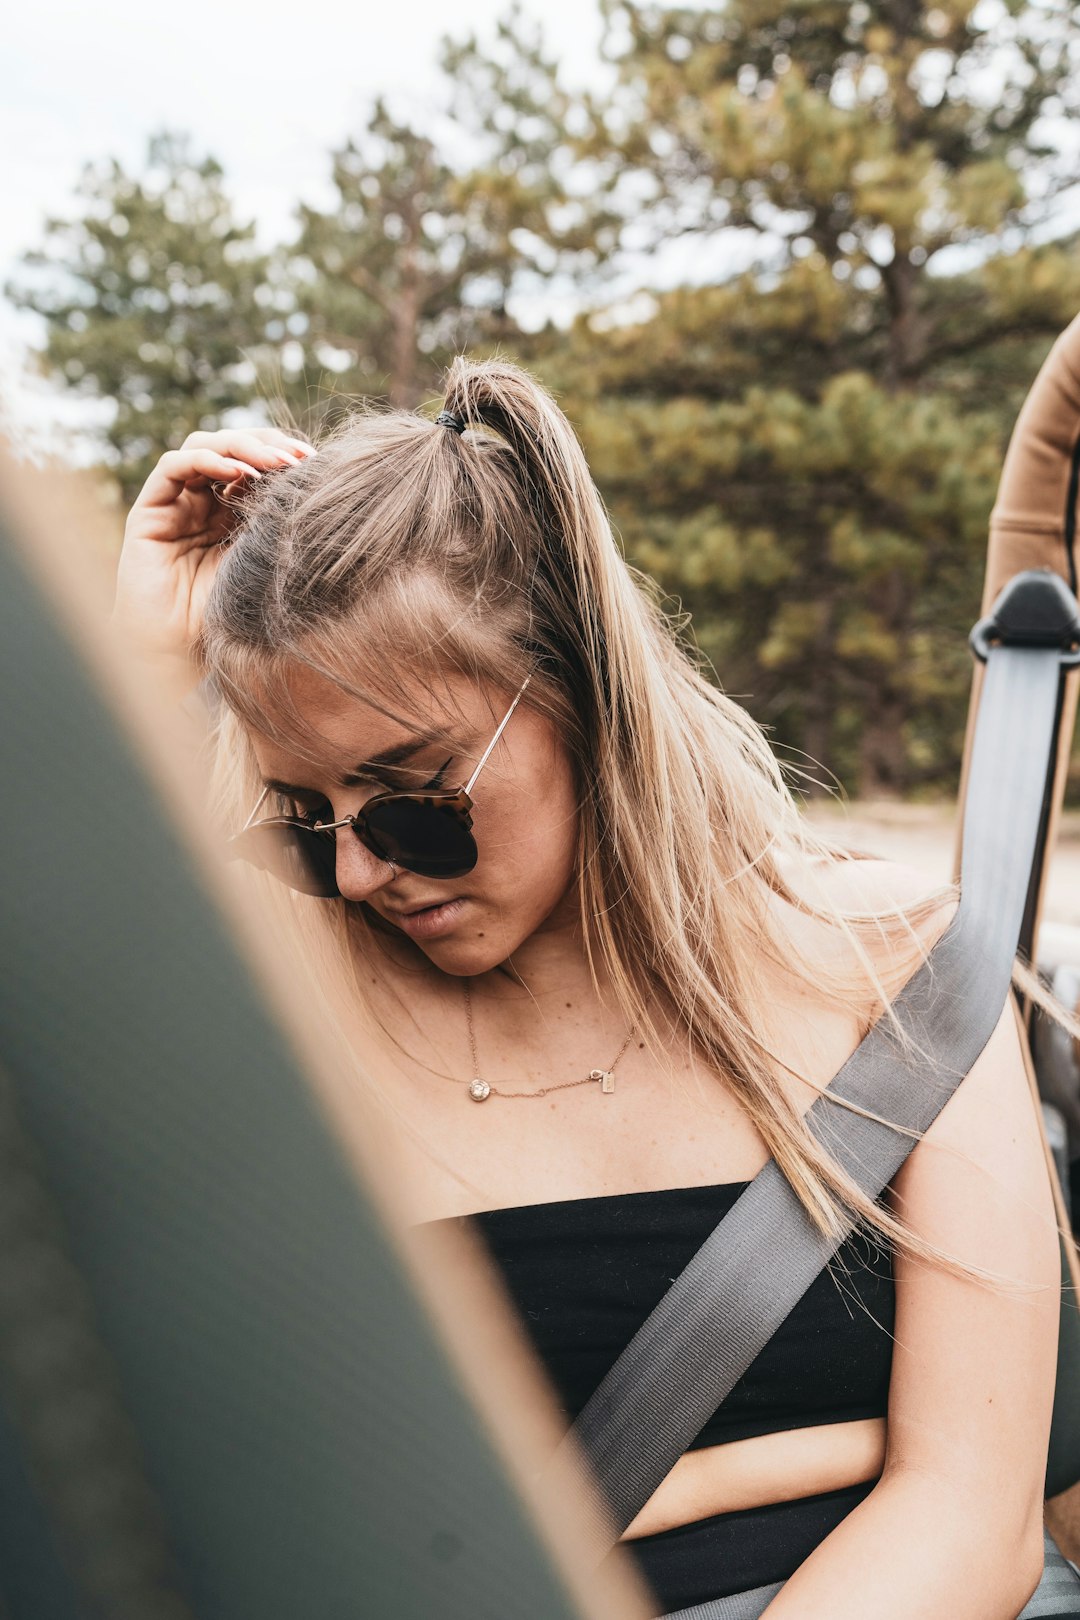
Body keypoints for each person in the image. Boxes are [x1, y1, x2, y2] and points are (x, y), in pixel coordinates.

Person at [112, 355, 1064, 1619]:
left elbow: (972, 1517)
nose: (352, 874)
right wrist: (134, 663)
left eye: (412, 800)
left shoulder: (898, 969)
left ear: (582, 690)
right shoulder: (275, 1022)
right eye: (297, 818)